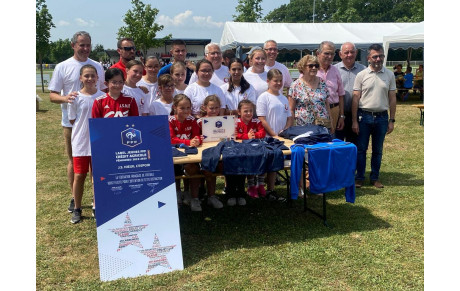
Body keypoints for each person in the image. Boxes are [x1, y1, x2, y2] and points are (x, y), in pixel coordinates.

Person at [48, 31, 106, 214]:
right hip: (72, 123)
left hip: (97, 125)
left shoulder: (97, 66)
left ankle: (98, 200)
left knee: (97, 165)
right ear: (73, 45)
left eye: (88, 44)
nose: (85, 48)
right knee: (75, 162)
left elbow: (104, 90)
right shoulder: (62, 66)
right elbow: (52, 95)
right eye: (81, 45)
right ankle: (75, 198)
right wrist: (66, 99)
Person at [352, 44, 396, 189]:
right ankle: (359, 178)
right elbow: (355, 98)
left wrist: (392, 120)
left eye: (381, 56)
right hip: (364, 117)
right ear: (368, 58)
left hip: (382, 118)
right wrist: (354, 121)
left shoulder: (389, 75)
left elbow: (392, 99)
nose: (378, 59)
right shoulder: (361, 75)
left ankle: (375, 178)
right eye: (375, 56)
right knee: (361, 149)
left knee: (378, 150)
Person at [67, 65, 105, 224]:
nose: (90, 79)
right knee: (79, 175)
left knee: (97, 176)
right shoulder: (74, 97)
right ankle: (77, 208)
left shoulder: (103, 96)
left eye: (92, 76)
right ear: (80, 78)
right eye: (86, 76)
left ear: (97, 78)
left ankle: (97, 206)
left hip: (99, 142)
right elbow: (72, 119)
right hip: (81, 142)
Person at [257, 68, 293, 201]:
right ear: (268, 81)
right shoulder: (263, 97)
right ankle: (260, 188)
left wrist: (285, 131)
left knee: (275, 164)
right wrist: (273, 135)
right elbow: (262, 119)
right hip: (268, 138)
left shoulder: (283, 98)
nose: (278, 83)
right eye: (275, 81)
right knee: (267, 164)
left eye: (280, 81)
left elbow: (289, 117)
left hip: (282, 138)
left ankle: (271, 190)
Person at [168, 94, 203, 211]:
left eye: (188, 108)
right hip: (175, 152)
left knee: (193, 169)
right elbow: (171, 139)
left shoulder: (192, 120)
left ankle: (193, 197)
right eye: (182, 108)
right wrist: (188, 141)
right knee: (175, 170)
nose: (186, 111)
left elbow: (197, 135)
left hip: (190, 152)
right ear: (175, 107)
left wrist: (197, 140)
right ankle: (177, 194)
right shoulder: (170, 120)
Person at [288, 55, 333, 132]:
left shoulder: (322, 82)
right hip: (304, 127)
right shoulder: (295, 85)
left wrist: (331, 122)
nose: (314, 68)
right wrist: (290, 127)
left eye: (316, 65)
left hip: (323, 126)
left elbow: (326, 104)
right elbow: (291, 109)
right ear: (303, 67)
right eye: (311, 66)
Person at [195, 95, 225, 208]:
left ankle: (211, 196)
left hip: (217, 151)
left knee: (211, 171)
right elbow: (195, 136)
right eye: (211, 108)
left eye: (217, 108)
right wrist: (199, 138)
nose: (214, 111)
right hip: (202, 152)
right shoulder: (199, 122)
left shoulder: (224, 121)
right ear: (205, 108)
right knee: (202, 171)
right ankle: (199, 194)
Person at [334, 42, 366, 144]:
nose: (349, 55)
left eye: (352, 52)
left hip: (357, 115)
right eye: (346, 52)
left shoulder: (363, 70)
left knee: (354, 145)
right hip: (338, 114)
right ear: (340, 54)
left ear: (356, 53)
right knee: (337, 145)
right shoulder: (334, 70)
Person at [235, 100, 266, 200]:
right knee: (249, 161)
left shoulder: (256, 121)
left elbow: (262, 133)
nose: (249, 113)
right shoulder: (236, 122)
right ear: (239, 112)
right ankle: (251, 186)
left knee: (264, 157)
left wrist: (254, 135)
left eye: (251, 111)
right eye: (245, 111)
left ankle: (260, 184)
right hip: (241, 150)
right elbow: (234, 135)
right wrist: (246, 136)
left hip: (256, 147)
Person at [316, 41, 345, 134]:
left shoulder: (335, 70)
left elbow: (341, 94)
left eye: (332, 54)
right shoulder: (311, 69)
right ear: (318, 53)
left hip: (334, 110)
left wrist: (341, 116)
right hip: (317, 111)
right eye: (326, 53)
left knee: (331, 138)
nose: (329, 56)